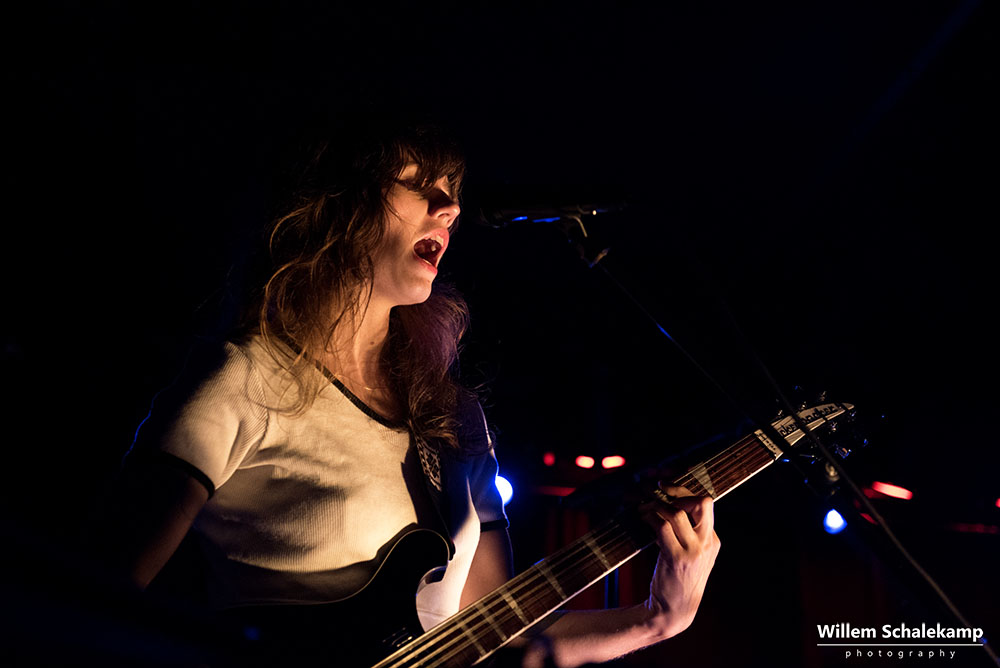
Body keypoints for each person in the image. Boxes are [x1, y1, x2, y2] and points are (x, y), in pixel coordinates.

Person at [94, 114, 721, 667]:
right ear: (341, 204)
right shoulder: (246, 378)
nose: (447, 208)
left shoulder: (456, 418)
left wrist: (659, 618)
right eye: (421, 187)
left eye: (451, 196)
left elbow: (500, 639)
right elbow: (97, 600)